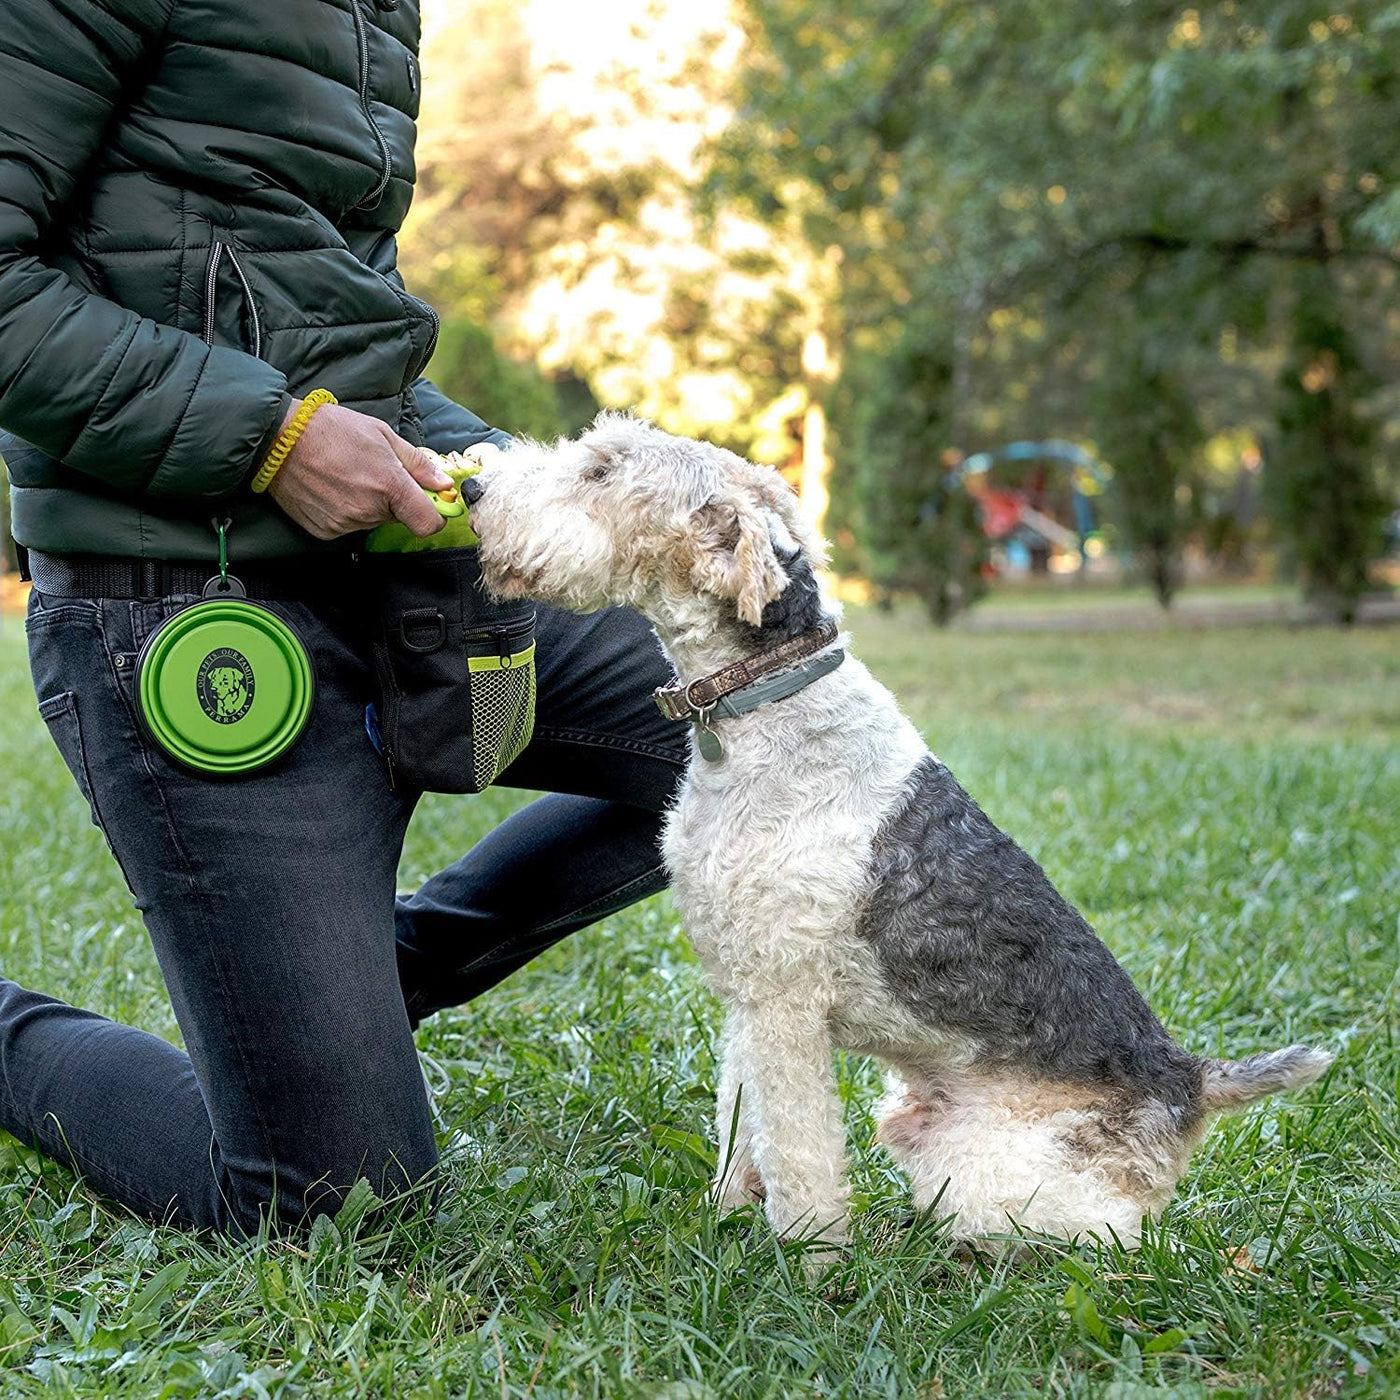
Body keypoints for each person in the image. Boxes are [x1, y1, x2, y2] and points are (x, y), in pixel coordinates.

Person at [0, 0, 686, 1233]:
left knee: (761, 710)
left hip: (401, 573)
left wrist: (520, 477)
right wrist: (270, 439)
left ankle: (355, 990)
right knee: (339, 1205)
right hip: (184, 607)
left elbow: (327, 314)